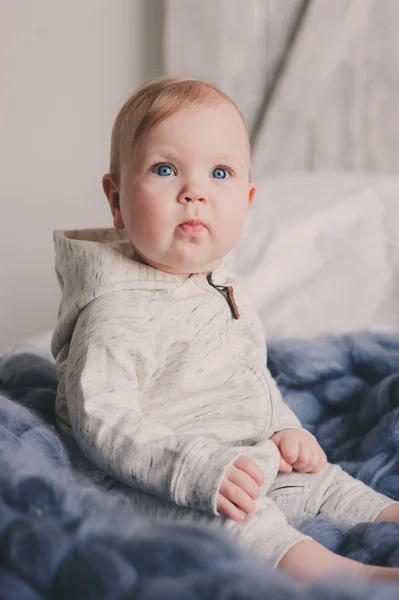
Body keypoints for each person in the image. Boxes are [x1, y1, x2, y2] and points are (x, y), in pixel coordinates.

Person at [52, 76, 399, 584]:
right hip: (159, 481)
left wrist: (283, 428)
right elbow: (103, 420)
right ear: (117, 198)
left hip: (245, 458)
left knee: (325, 483)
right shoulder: (114, 309)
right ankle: (350, 578)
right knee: (244, 523)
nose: (194, 192)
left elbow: (249, 380)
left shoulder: (223, 286)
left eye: (220, 172)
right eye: (164, 169)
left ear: (248, 198)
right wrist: (192, 470)